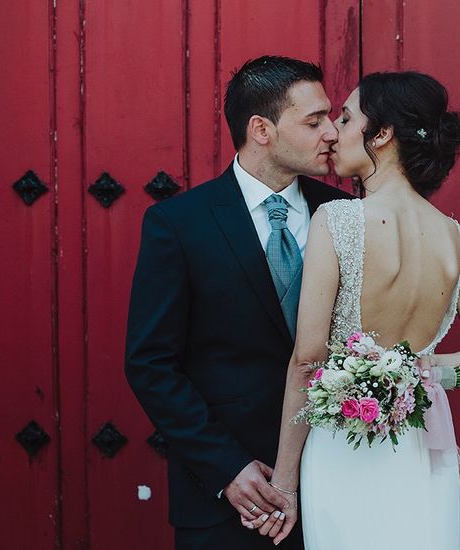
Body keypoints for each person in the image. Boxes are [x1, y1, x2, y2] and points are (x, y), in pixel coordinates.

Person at [252, 71, 460, 549]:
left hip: (342, 448)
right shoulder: (451, 235)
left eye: (348, 118)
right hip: (418, 451)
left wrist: (285, 482)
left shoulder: (336, 220)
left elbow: (309, 360)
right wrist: (425, 370)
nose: (333, 132)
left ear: (382, 134)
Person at [124, 55, 352, 550]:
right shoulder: (178, 224)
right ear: (261, 130)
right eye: (314, 121)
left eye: (331, 118)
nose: (332, 132)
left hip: (338, 477)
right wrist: (225, 467)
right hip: (229, 497)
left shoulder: (347, 216)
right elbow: (150, 364)